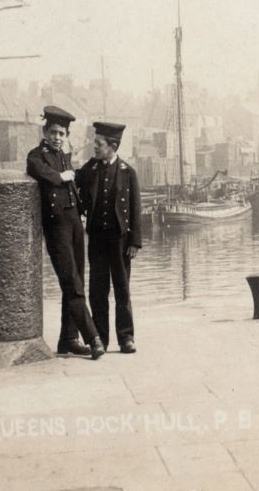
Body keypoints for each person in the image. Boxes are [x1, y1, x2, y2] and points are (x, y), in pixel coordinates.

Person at [25, 106, 104, 359]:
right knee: (71, 281)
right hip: (56, 225)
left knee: (77, 278)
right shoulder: (36, 156)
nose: (58, 137)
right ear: (45, 132)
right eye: (54, 132)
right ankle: (93, 338)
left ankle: (68, 338)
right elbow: (40, 172)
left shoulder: (64, 156)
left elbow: (74, 179)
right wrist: (61, 176)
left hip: (74, 223)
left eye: (62, 134)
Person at [77, 121, 142, 354]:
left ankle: (126, 338)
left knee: (122, 289)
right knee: (98, 290)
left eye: (99, 144)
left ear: (112, 146)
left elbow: (136, 209)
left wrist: (135, 241)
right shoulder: (90, 170)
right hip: (97, 240)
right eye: (95, 143)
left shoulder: (128, 172)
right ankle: (101, 339)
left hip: (121, 241)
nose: (95, 147)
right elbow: (75, 181)